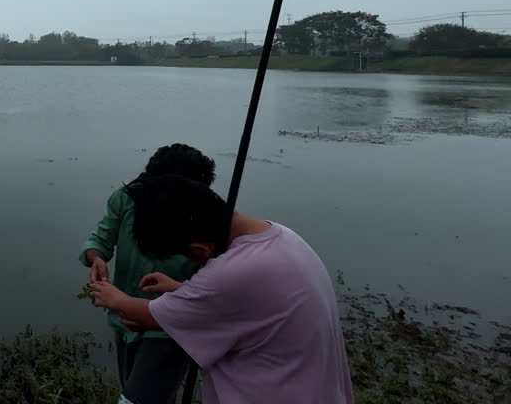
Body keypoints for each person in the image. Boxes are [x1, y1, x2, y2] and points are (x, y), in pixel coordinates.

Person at [89, 175, 353, 404]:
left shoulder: (229, 272)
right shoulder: (281, 236)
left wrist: (115, 298)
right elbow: (246, 303)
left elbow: (150, 315)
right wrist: (181, 288)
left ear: (201, 250)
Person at [80, 143, 217, 404]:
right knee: (139, 391)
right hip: (123, 319)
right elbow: (99, 240)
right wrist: (97, 259)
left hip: (169, 327)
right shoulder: (126, 199)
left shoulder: (203, 215)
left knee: (138, 398)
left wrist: (179, 290)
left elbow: (212, 281)